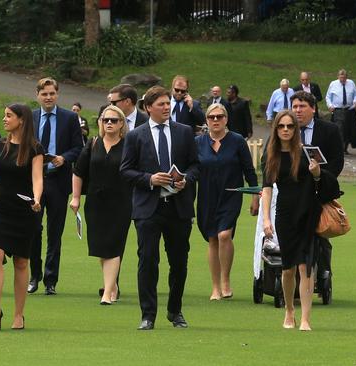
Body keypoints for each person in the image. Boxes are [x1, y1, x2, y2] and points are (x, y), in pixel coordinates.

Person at [120, 85, 199, 330]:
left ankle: (175, 311)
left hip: (178, 207)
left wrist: (187, 179)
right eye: (161, 104)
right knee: (147, 261)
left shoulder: (185, 132)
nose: (166, 108)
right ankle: (148, 315)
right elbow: (125, 170)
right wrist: (149, 179)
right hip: (148, 208)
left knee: (179, 262)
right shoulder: (135, 135)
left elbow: (197, 165)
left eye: (168, 103)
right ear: (148, 108)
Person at [261, 110, 338, 332]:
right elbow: (266, 189)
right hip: (285, 215)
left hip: (308, 213)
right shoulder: (272, 155)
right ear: (276, 129)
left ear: (296, 130)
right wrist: (266, 218)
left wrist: (316, 174)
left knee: (306, 266)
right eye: (282, 126)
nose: (286, 130)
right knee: (288, 268)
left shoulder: (306, 154)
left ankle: (305, 318)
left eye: (290, 126)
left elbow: (324, 185)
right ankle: (289, 310)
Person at [0, 103, 43, 331]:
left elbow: (37, 178)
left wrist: (37, 198)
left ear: (22, 120)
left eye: (9, 116)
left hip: (25, 210)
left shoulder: (35, 148)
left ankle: (18, 314)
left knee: (21, 261)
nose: (4, 119)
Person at [195, 103, 258, 301]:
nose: (215, 120)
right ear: (206, 120)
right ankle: (215, 287)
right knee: (212, 238)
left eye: (219, 117)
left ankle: (225, 280)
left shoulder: (237, 141)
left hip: (231, 195)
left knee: (224, 235)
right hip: (206, 196)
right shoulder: (198, 142)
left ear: (226, 119)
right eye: (211, 117)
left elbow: (249, 170)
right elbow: (191, 169)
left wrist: (255, 195)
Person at [70, 105, 132, 305]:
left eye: (114, 120)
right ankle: (111, 285)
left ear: (122, 123)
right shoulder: (93, 143)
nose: (110, 124)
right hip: (95, 202)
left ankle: (107, 293)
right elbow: (78, 171)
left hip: (120, 202)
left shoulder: (128, 145)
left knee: (113, 246)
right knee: (101, 247)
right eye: (106, 120)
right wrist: (76, 198)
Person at [29, 77, 83, 295]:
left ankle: (51, 280)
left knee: (55, 232)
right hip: (35, 181)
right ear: (38, 96)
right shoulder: (30, 117)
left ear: (57, 94)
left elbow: (79, 148)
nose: (48, 97)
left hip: (58, 180)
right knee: (33, 229)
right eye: (44, 94)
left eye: (52, 93)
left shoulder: (69, 118)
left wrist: (64, 158)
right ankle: (34, 275)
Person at [291, 91, 345, 288]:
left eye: (302, 106)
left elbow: (337, 161)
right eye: (295, 106)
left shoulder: (329, 130)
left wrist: (321, 177)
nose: (297, 111)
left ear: (313, 108)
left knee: (318, 233)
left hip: (319, 191)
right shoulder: (286, 128)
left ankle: (323, 272)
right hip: (293, 191)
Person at [325, 69, 356, 153]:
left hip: (349, 110)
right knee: (340, 129)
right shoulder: (333, 84)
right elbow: (328, 96)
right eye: (341, 78)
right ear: (338, 77)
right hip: (338, 110)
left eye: (344, 78)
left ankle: (345, 148)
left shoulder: (351, 83)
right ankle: (339, 149)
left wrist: (355, 101)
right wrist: (330, 105)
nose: (342, 80)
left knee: (349, 129)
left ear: (346, 77)